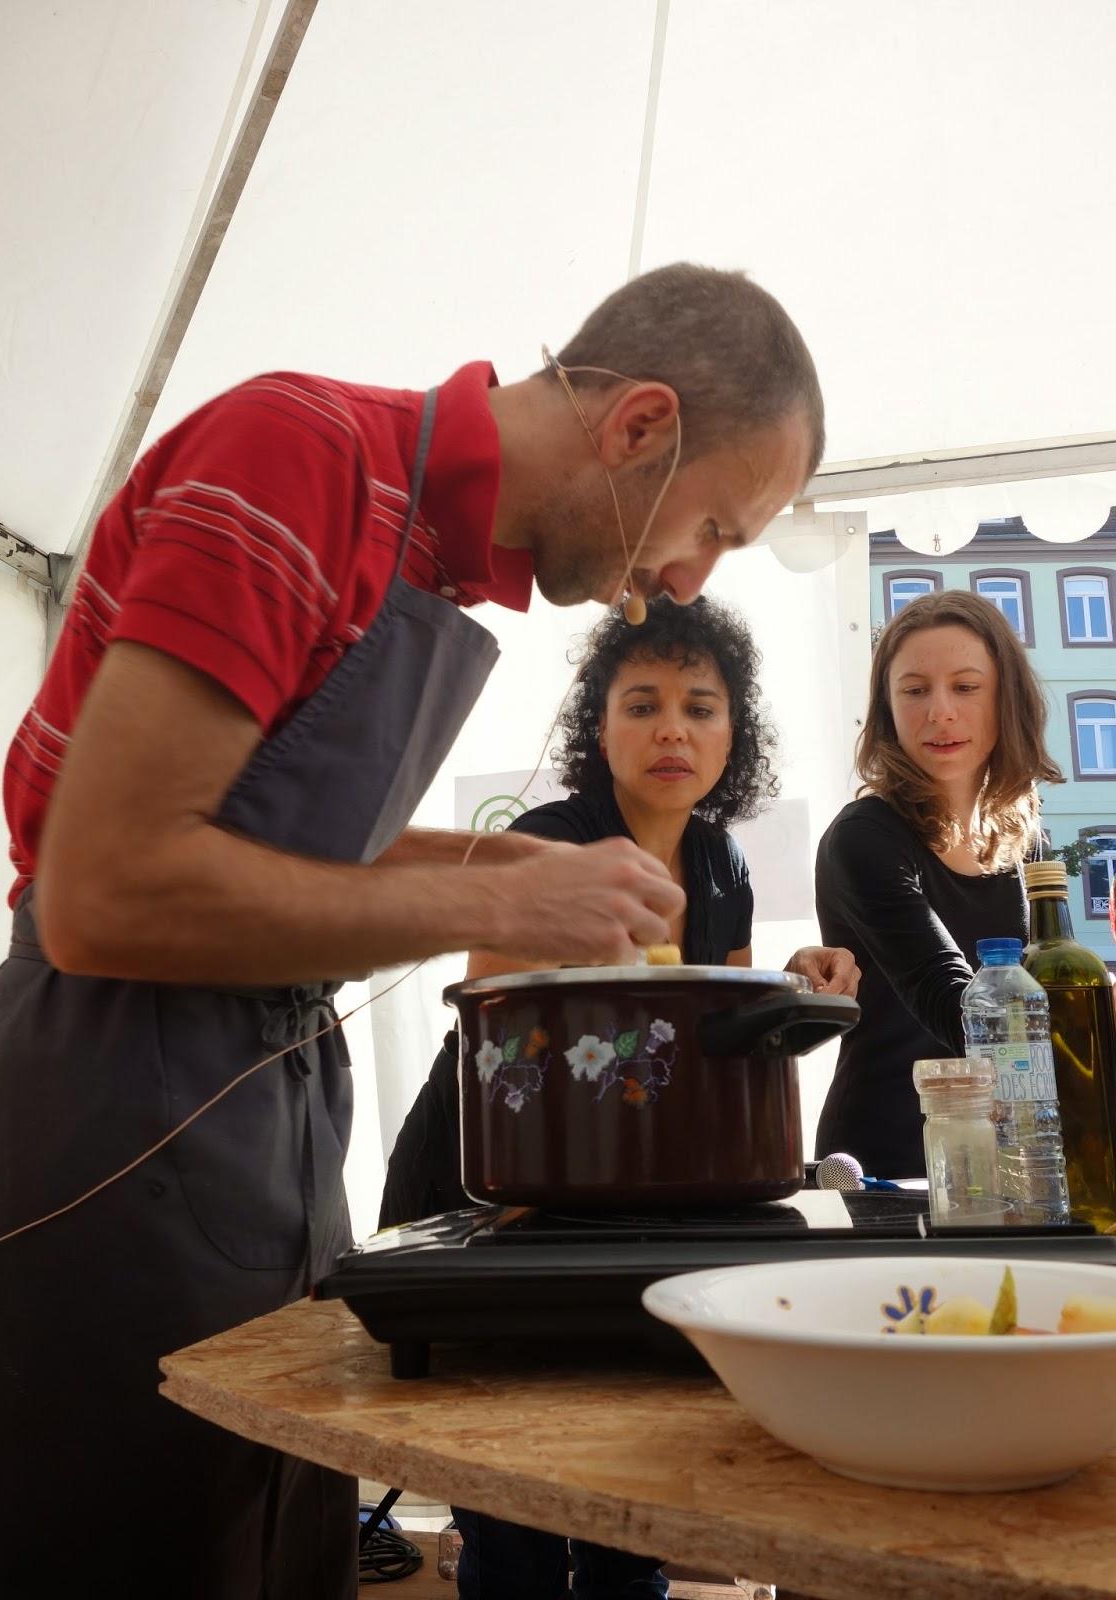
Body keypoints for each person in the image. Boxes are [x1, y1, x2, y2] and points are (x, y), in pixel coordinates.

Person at [0, 263, 824, 1600]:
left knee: (276, 1545)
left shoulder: (426, 557)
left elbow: (270, 845)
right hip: (109, 1105)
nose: (669, 586)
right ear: (638, 427)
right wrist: (504, 899)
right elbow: (105, 887)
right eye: (711, 530)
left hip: (269, 1116)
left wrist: (494, 857)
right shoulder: (296, 456)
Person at [381, 594, 859, 1600]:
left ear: (737, 731)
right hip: (495, 1179)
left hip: (641, 1187)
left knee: (628, 1487)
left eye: (700, 704)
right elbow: (499, 1017)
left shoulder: (724, 860)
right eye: (641, 704)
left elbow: (706, 1020)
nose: (673, 727)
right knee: (508, 1490)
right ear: (598, 729)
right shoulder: (552, 842)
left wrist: (787, 984)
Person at [814, 589, 1062, 1178]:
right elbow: (960, 1008)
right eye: (915, 690)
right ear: (888, 708)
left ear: (1007, 700)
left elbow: (1044, 988)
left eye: (966, 687)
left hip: (1010, 1153)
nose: (940, 712)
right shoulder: (864, 837)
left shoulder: (1026, 833)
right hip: (889, 1162)